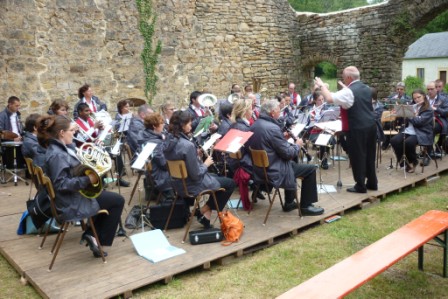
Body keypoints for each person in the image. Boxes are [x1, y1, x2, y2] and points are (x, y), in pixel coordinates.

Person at [36, 115, 124, 257]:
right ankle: (95, 238)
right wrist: (88, 179)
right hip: (71, 202)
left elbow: (71, 170)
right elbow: (61, 184)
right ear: (62, 133)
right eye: (72, 130)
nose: (74, 133)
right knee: (117, 201)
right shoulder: (58, 155)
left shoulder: (60, 148)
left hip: (72, 196)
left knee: (108, 197)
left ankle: (91, 234)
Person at [246, 99, 324, 216]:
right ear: (272, 113)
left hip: (261, 170)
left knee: (292, 165)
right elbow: (288, 153)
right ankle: (306, 206)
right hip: (275, 171)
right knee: (310, 169)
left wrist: (283, 139)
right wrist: (297, 146)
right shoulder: (273, 128)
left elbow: (268, 145)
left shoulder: (255, 125)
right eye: (278, 110)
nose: (280, 113)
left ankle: (289, 202)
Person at [164, 111, 236, 228]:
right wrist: (206, 164)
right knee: (230, 184)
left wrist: (195, 156)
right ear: (182, 125)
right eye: (188, 123)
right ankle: (203, 210)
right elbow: (196, 174)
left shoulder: (167, 141)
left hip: (177, 183)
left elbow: (181, 159)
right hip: (192, 184)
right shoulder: (187, 145)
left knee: (218, 179)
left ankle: (206, 217)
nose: (191, 125)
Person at [315, 66, 377, 193]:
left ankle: (360, 185)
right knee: (369, 155)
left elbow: (330, 99)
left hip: (357, 127)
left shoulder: (349, 91)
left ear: (349, 77)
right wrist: (344, 88)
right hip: (370, 125)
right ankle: (372, 182)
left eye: (343, 76)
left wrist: (322, 85)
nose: (342, 78)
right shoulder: (366, 88)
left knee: (357, 156)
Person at [390, 90, 433, 173]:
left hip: (421, 132)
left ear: (424, 96)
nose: (417, 100)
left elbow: (419, 123)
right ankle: (404, 163)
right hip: (408, 130)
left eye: (419, 97)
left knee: (408, 142)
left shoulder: (428, 110)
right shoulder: (411, 106)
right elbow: (405, 120)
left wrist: (410, 115)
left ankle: (414, 161)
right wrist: (399, 113)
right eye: (415, 98)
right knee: (394, 140)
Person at [137, 113, 173, 200]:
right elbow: (164, 164)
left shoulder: (144, 135)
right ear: (154, 126)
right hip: (160, 176)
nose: (164, 124)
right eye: (161, 123)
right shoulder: (154, 142)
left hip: (152, 173)